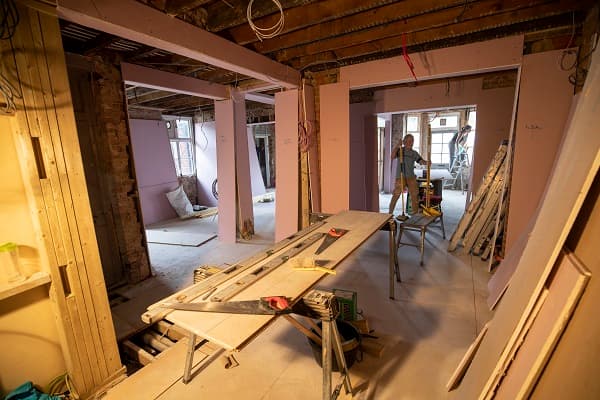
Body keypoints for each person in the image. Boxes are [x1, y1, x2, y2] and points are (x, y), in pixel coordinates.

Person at [389, 134, 429, 217]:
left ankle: (415, 215)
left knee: (415, 195)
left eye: (412, 141)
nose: (411, 143)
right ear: (404, 142)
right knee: (396, 194)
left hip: (411, 177)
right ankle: (389, 214)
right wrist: (397, 146)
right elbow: (392, 156)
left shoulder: (414, 153)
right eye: (409, 141)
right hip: (400, 177)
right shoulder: (400, 150)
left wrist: (426, 162)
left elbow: (420, 161)